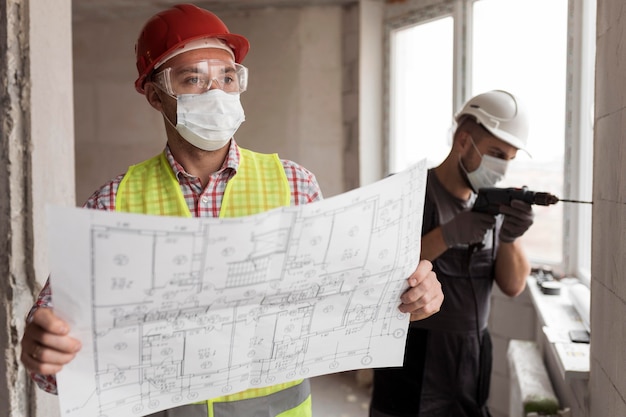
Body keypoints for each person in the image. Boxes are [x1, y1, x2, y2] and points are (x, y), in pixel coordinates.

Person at [19, 4, 444, 417]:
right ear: (154, 95)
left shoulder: (294, 185)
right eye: (193, 79)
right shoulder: (113, 203)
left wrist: (410, 294)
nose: (216, 93)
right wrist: (44, 349)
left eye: (227, 77)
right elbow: (56, 349)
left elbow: (342, 299)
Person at [370, 90, 534, 417]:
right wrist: (448, 234)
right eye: (496, 153)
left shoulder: (492, 204)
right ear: (463, 140)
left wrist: (510, 239)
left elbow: (513, 286)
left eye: (509, 160)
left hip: (472, 357)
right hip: (412, 357)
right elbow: (379, 272)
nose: (501, 168)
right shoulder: (405, 191)